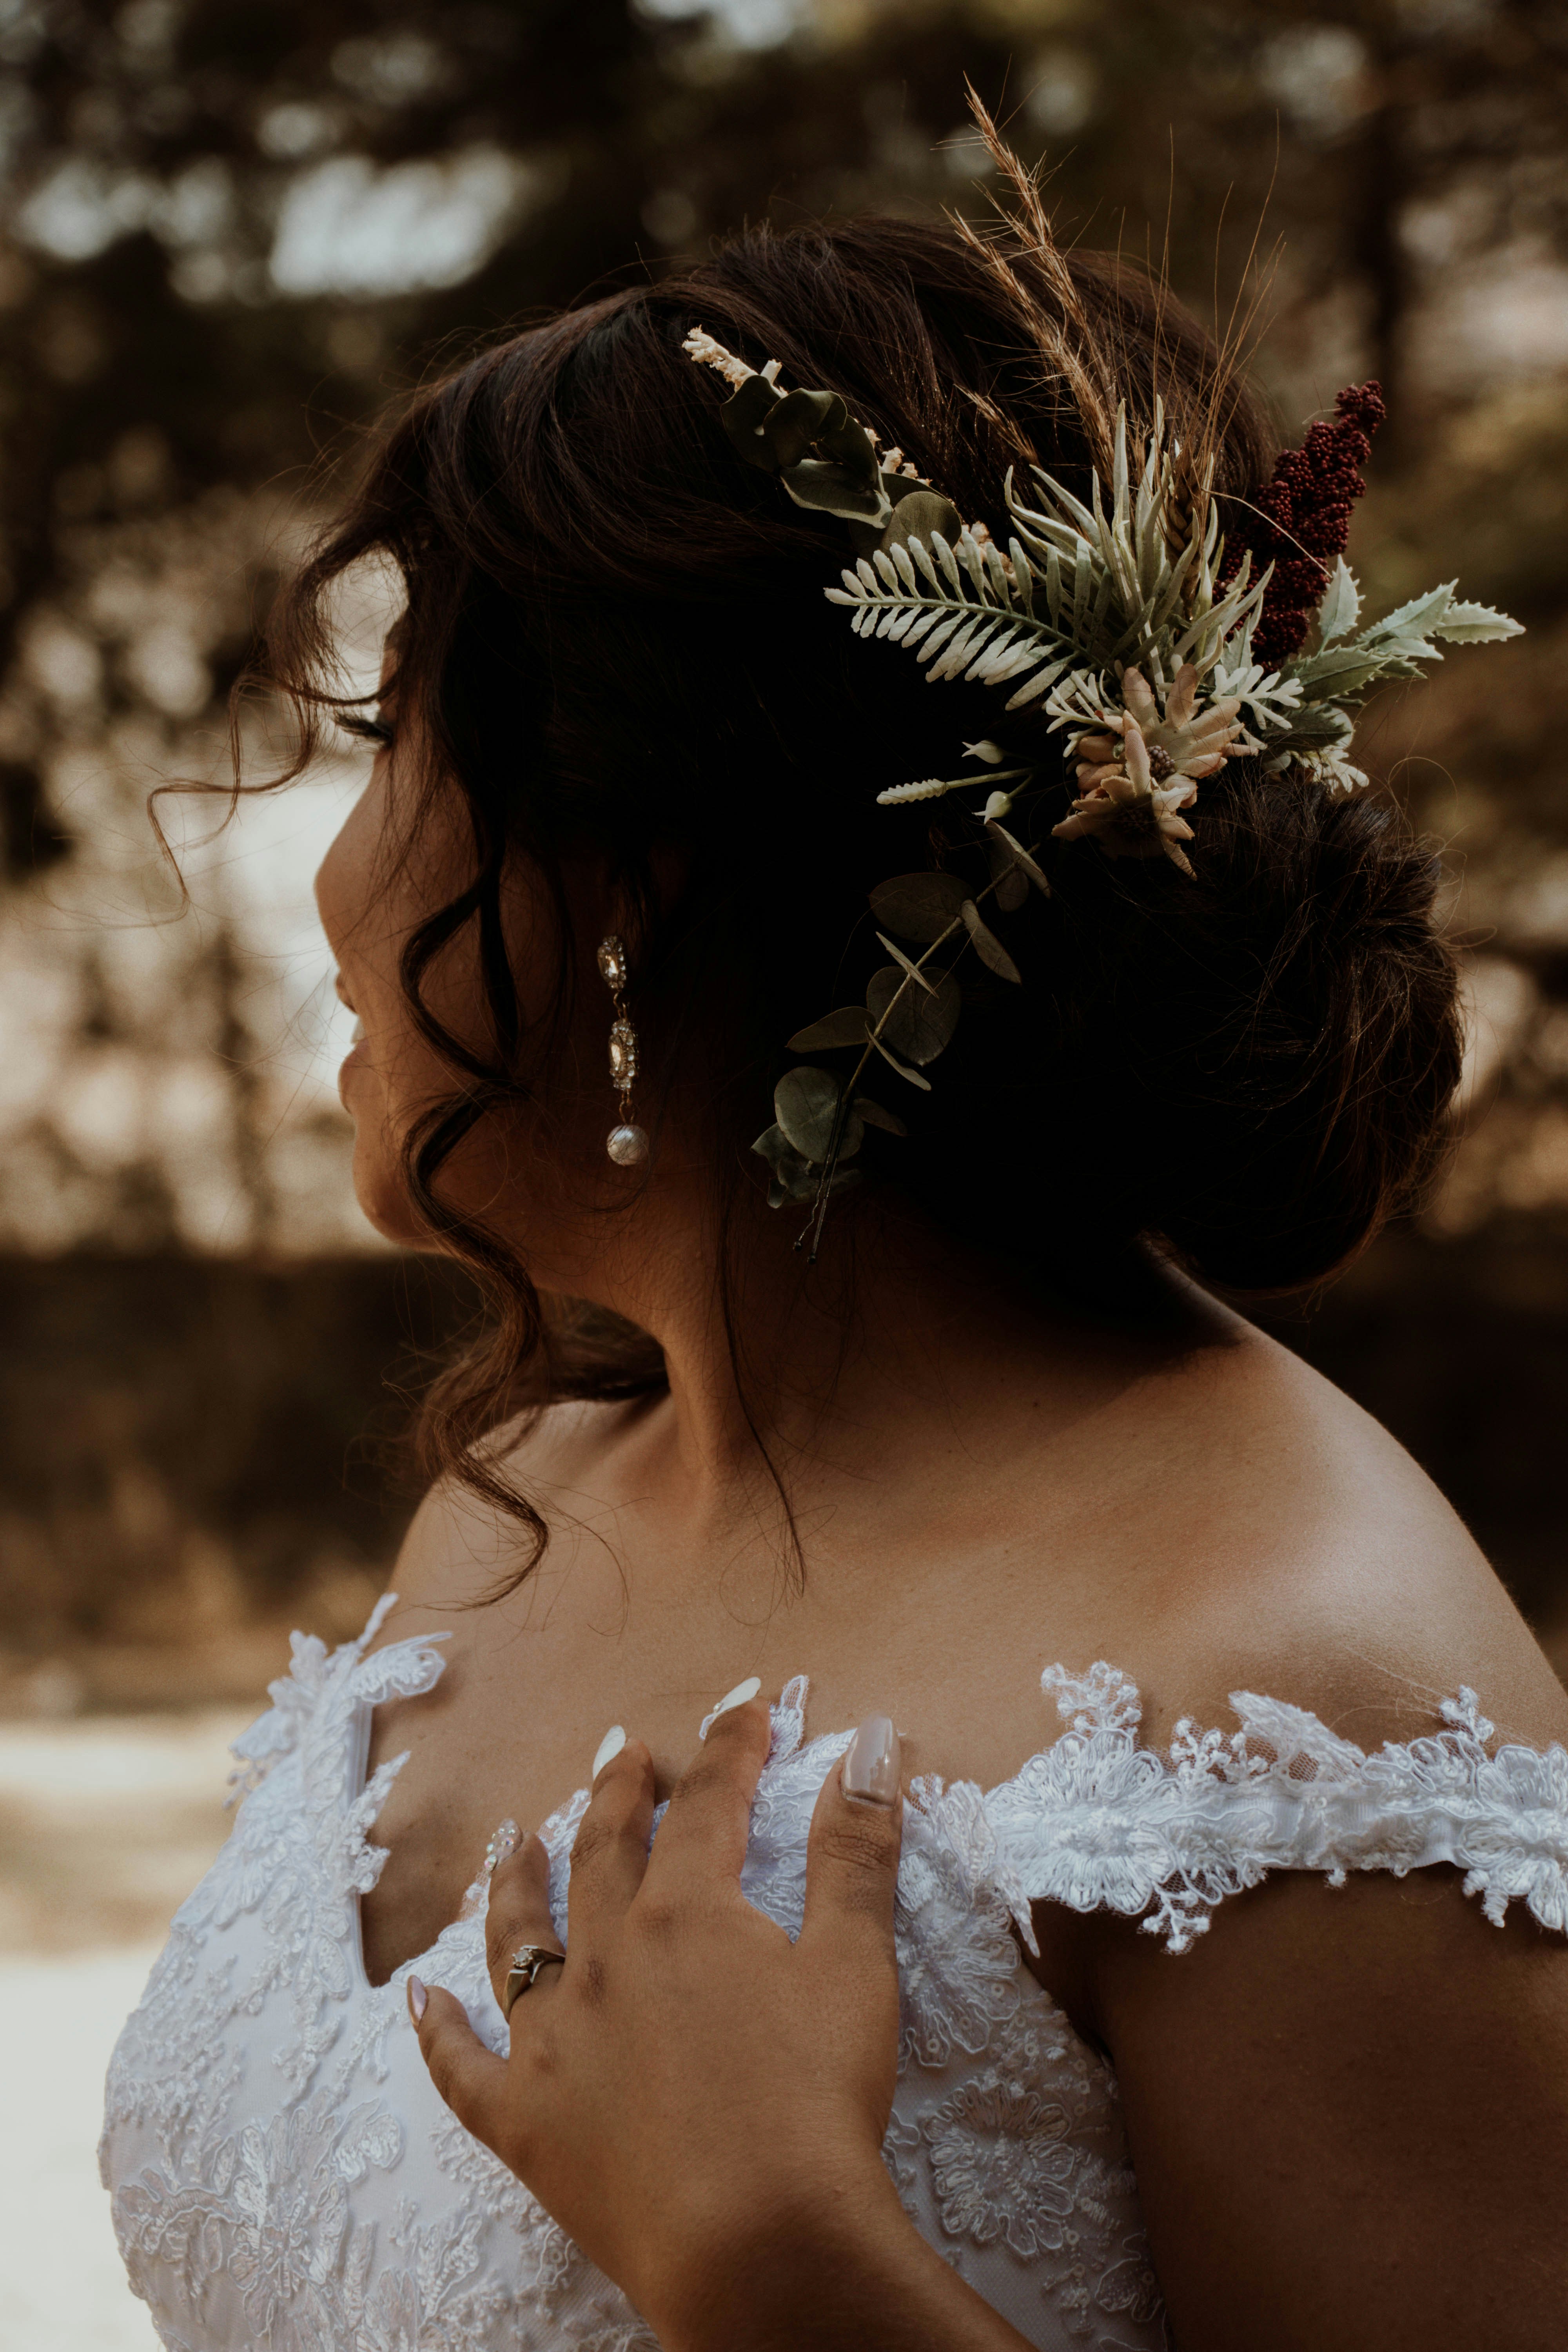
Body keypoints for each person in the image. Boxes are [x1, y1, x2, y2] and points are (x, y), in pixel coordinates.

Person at [100, 153, 1568, 2352]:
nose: (333, 882)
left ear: (642, 881)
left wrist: (782, 2264)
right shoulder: (523, 1510)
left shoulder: (1285, 1704)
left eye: (396, 739)